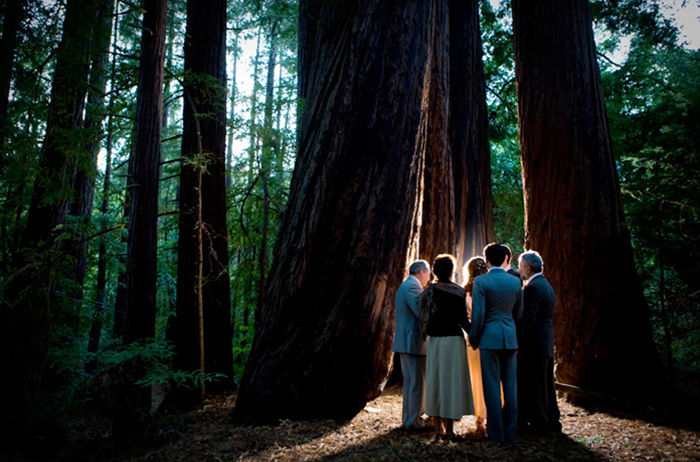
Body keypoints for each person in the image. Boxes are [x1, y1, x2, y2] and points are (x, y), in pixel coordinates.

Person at [469, 243, 523, 443]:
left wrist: (474, 338)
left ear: (487, 259)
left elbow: (479, 314)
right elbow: (519, 313)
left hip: (489, 339)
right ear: (506, 259)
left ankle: (496, 433)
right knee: (510, 387)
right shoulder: (515, 282)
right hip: (509, 337)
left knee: (491, 387)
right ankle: (510, 432)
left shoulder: (481, 282)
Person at [420, 254, 474, 440]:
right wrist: (476, 335)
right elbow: (463, 320)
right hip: (453, 340)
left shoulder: (428, 292)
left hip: (434, 340)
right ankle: (449, 430)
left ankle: (438, 429)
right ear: (452, 270)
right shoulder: (458, 292)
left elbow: (422, 316)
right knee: (451, 383)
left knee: (435, 381)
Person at [517, 250, 562, 433]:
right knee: (545, 383)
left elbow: (529, 319)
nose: (519, 270)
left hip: (535, 342)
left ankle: (541, 422)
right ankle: (551, 420)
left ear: (527, 268)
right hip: (545, 339)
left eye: (520, 267)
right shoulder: (546, 285)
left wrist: (518, 340)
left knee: (537, 383)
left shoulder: (533, 288)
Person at [392, 259, 432, 431]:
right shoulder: (412, 287)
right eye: (428, 273)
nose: (429, 277)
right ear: (421, 272)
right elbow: (421, 312)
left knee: (411, 382)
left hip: (407, 342)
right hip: (413, 342)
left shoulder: (407, 285)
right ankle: (413, 422)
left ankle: (409, 419)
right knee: (416, 383)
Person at [463, 256, 489, 434]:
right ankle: (491, 413)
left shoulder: (464, 291)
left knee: (476, 377)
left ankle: (479, 417)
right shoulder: (489, 287)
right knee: (491, 376)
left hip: (472, 336)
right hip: (489, 334)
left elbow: (466, 316)